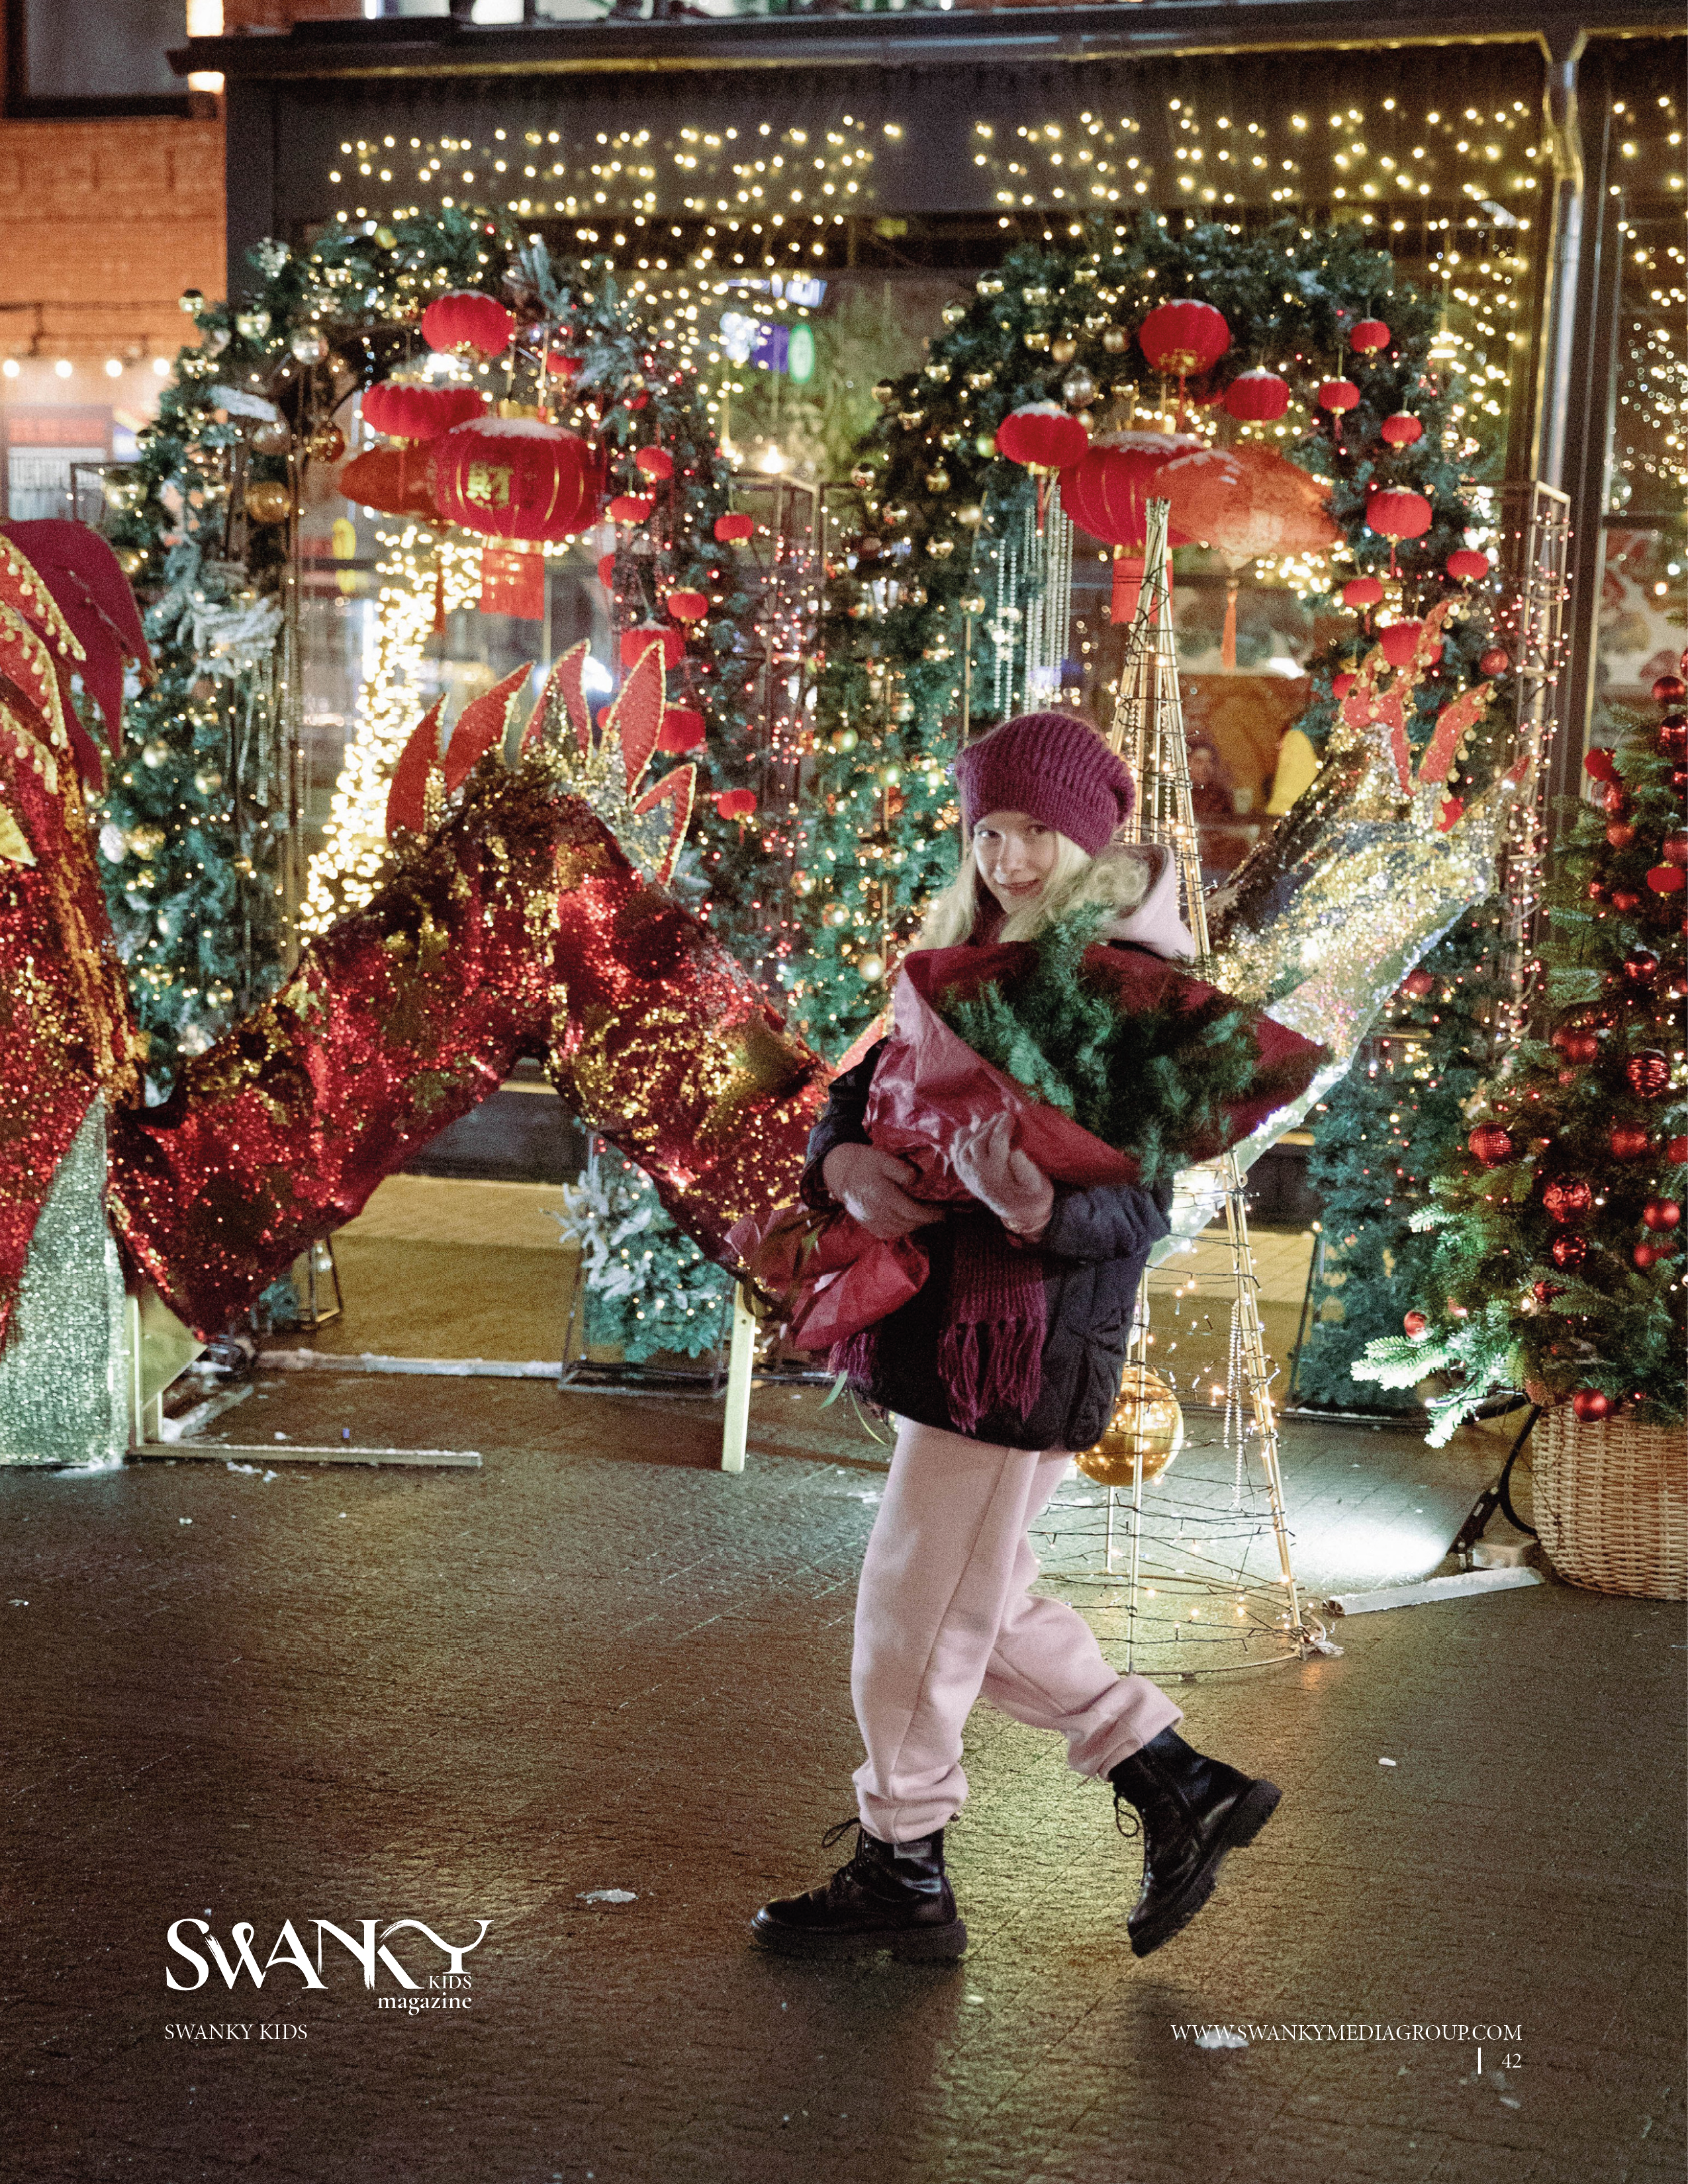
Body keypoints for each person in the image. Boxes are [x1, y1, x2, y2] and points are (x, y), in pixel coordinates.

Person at [751, 710, 1282, 1965]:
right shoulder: (965, 953)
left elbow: (1141, 1205)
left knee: (907, 1618)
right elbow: (854, 1088)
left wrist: (1039, 1202)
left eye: (1032, 830)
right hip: (946, 1334)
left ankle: (904, 1865)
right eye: (986, 830)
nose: (1005, 855)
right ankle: (1176, 1786)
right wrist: (848, 1163)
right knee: (968, 1609)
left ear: (1086, 837)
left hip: (1026, 1345)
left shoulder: (1122, 984)